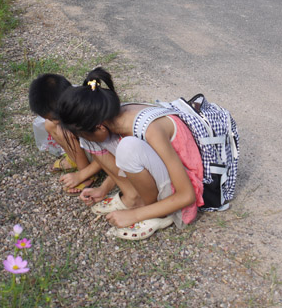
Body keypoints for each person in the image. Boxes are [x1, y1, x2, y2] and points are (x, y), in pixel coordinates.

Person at [57, 67, 204, 240]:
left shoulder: (149, 130)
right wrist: (104, 188)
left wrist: (135, 215)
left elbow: (186, 195)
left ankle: (156, 213)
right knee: (96, 140)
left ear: (100, 127)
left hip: (182, 185)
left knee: (128, 147)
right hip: (158, 169)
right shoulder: (109, 116)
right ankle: (133, 197)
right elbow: (131, 160)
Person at [28, 73, 100, 194]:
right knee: (50, 125)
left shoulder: (91, 117)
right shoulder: (72, 102)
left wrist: (83, 174)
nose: (52, 121)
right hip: (92, 149)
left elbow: (111, 154)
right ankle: (75, 160)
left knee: (62, 131)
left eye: (53, 118)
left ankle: (87, 173)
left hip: (104, 156)